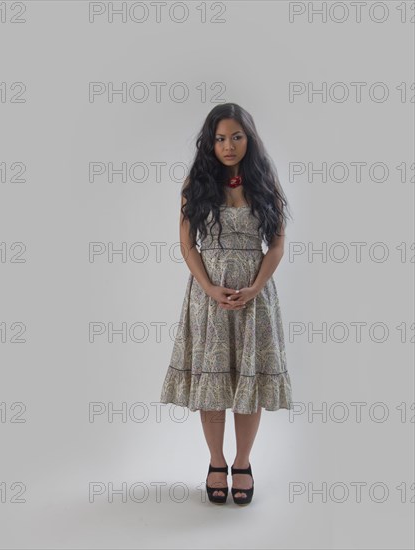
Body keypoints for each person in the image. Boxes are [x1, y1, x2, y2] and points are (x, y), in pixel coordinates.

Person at [159, 103, 293, 506]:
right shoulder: (195, 185)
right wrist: (209, 287)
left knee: (248, 381)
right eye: (220, 138)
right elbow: (187, 244)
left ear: (248, 139)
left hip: (256, 297)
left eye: (236, 136)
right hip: (209, 297)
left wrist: (255, 287)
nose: (228, 145)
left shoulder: (266, 184)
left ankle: (243, 462)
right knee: (215, 382)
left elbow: (278, 245)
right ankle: (216, 461)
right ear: (210, 143)